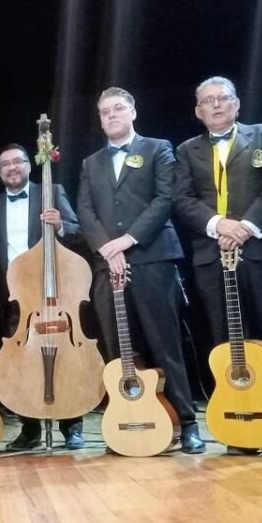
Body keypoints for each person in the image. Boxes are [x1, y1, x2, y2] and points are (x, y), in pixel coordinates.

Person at [77, 87, 203, 453]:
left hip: (151, 257)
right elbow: (86, 212)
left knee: (165, 344)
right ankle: (126, 420)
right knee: (119, 349)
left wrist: (126, 241)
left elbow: (165, 200)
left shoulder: (157, 148)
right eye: (104, 112)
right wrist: (105, 247)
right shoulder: (91, 162)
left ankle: (187, 422)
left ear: (133, 112)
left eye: (118, 109)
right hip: (107, 264)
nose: (111, 116)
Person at [173, 78, 262, 455]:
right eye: (207, 101)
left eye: (223, 98)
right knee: (225, 343)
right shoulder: (187, 150)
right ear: (198, 111)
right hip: (211, 254)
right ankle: (237, 424)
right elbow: (181, 198)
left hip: (258, 249)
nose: (216, 105)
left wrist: (245, 227)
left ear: (237, 104)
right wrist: (218, 225)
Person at [0, 142, 85, 450]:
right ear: (0, 172)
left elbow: (78, 231)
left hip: (54, 294)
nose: (12, 168)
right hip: (14, 298)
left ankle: (72, 427)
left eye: (17, 162)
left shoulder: (51, 191)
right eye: (5, 164)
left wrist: (61, 225)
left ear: (29, 165)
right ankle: (29, 429)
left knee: (66, 359)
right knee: (21, 364)